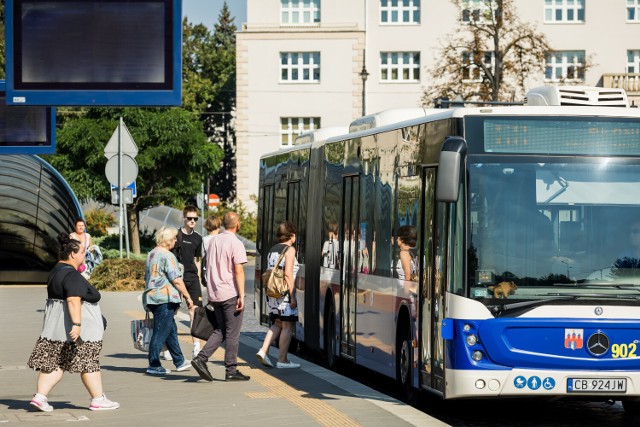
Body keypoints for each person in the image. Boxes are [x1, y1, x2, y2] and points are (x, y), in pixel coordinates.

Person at [27, 233, 119, 412]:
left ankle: (40, 397)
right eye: (83, 252)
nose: (85, 255)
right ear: (72, 254)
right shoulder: (72, 275)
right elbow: (73, 300)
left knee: (56, 363)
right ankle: (98, 399)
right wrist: (77, 326)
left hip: (56, 329)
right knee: (88, 362)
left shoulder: (56, 271)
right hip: (78, 330)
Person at [191, 212, 250, 381]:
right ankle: (231, 370)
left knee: (221, 329)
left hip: (215, 292)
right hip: (230, 293)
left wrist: (210, 291)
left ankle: (201, 359)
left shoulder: (213, 241)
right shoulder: (236, 243)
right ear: (237, 224)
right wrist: (242, 295)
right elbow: (238, 270)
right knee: (232, 333)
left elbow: (207, 268)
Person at [143, 226, 194, 375]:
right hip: (164, 298)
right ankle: (153, 364)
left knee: (170, 329)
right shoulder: (167, 255)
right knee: (161, 331)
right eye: (173, 238)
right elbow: (176, 280)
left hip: (152, 297)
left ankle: (179, 361)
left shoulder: (151, 253)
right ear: (167, 240)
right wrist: (187, 296)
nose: (175, 241)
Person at [256, 221, 301, 369]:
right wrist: (292, 296)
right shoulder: (290, 250)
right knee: (287, 326)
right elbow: (288, 274)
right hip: (284, 292)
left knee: (277, 323)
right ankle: (282, 360)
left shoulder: (273, 249)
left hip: (272, 292)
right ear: (292, 235)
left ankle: (263, 350)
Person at [170, 205, 204, 359]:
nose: (192, 221)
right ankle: (166, 347)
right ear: (184, 218)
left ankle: (196, 347)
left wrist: (199, 276)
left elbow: (198, 259)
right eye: (189, 218)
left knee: (195, 312)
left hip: (192, 278)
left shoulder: (198, 238)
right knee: (173, 312)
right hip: (177, 277)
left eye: (195, 219)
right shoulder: (176, 235)